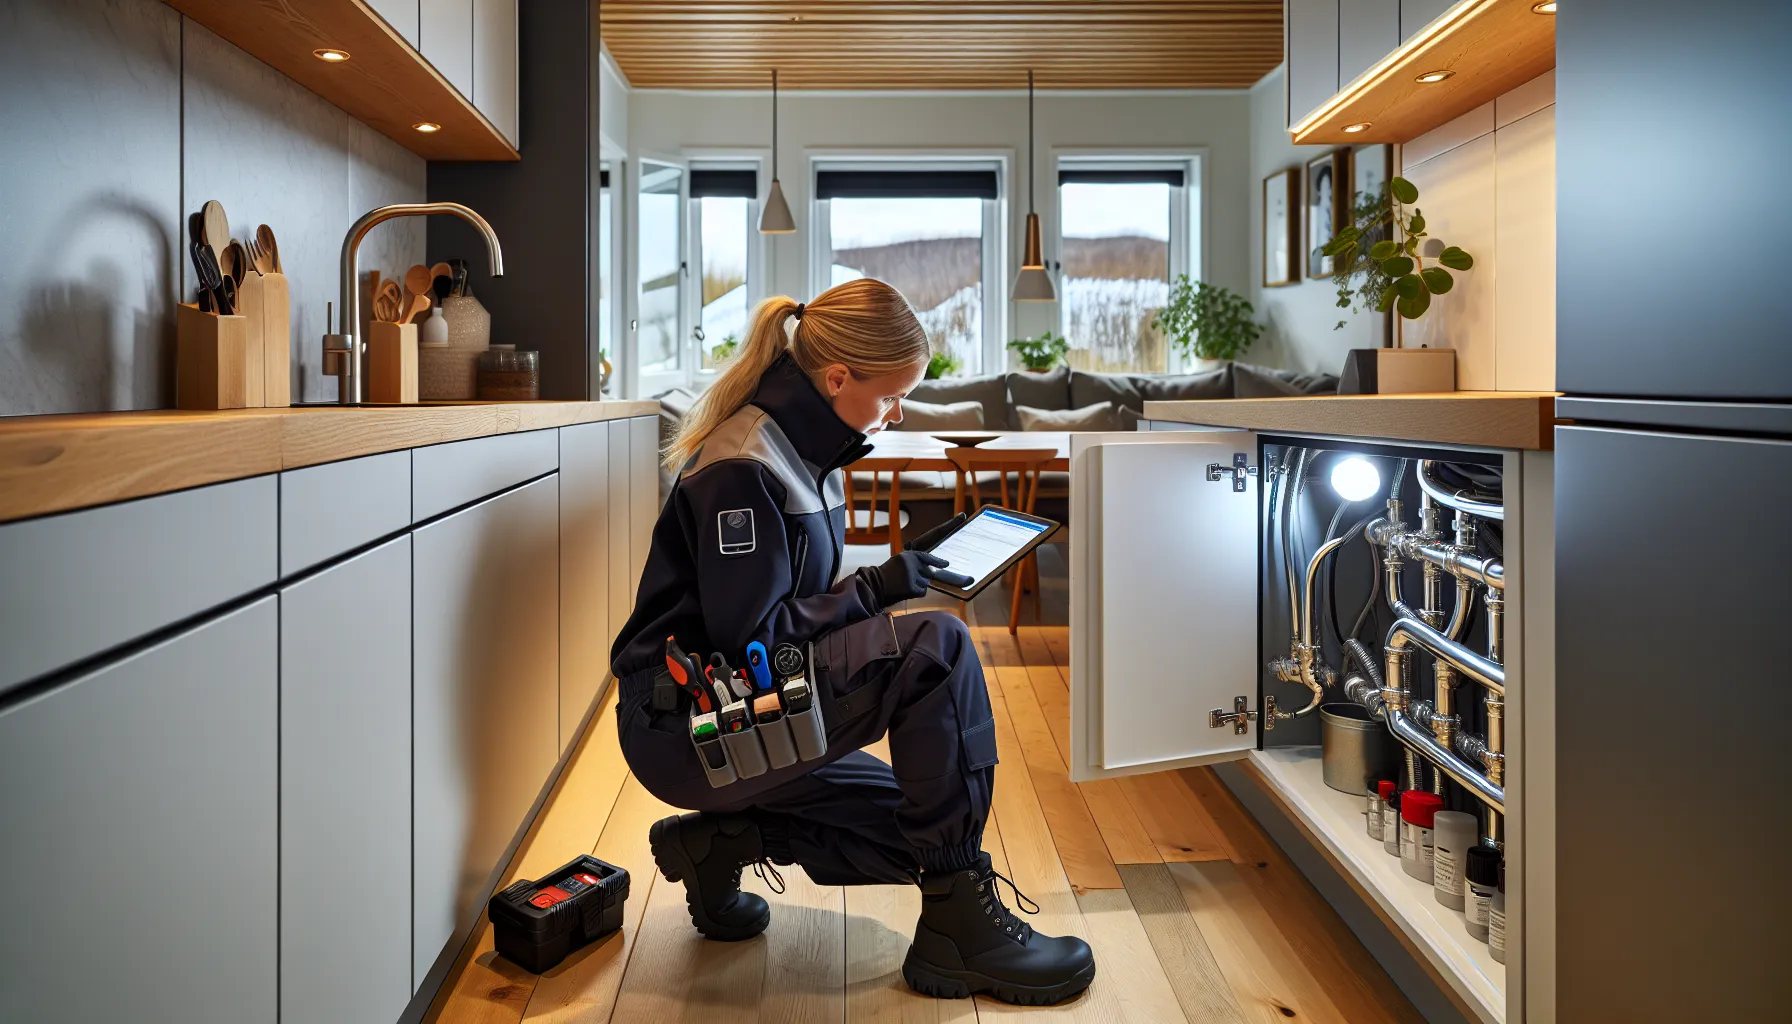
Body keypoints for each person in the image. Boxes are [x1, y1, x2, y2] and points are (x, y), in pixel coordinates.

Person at [610, 278, 1095, 1005]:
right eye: (892, 395)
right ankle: (960, 935)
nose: (897, 414)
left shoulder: (808, 449)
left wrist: (891, 572)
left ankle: (721, 844)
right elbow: (758, 644)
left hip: (742, 715)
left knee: (923, 837)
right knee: (938, 647)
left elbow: (787, 603)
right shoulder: (745, 466)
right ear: (838, 377)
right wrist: (876, 589)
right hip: (687, 729)